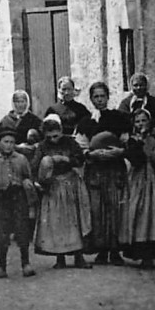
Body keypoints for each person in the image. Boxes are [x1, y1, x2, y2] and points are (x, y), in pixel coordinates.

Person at [79, 81, 130, 265]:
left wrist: (119, 152)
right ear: (91, 99)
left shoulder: (118, 117)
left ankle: (115, 250)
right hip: (95, 170)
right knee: (97, 209)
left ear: (108, 97)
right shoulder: (86, 121)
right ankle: (101, 250)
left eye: (102, 96)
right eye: (96, 97)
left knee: (115, 208)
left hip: (114, 168)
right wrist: (92, 154)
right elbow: (81, 146)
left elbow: (126, 141)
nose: (99, 100)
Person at [32, 114, 92, 270]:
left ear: (60, 130)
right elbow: (35, 166)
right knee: (56, 222)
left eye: (56, 135)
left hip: (70, 183)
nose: (53, 139)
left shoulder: (70, 142)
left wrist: (66, 160)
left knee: (75, 220)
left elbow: (80, 159)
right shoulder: (42, 146)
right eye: (49, 137)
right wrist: (41, 178)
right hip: (53, 186)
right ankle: (60, 258)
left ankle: (79, 257)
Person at [0, 122, 37, 279]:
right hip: (2, 199)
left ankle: (26, 263)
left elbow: (28, 177)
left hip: (18, 198)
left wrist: (28, 188)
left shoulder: (21, 159)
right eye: (6, 142)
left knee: (22, 230)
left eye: (12, 142)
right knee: (3, 233)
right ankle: (1, 266)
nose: (9, 145)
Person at [119, 108, 155, 269]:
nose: (141, 124)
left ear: (150, 121)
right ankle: (144, 255)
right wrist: (141, 140)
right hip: (139, 178)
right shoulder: (132, 141)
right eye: (138, 121)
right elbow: (136, 160)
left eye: (144, 120)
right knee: (140, 213)